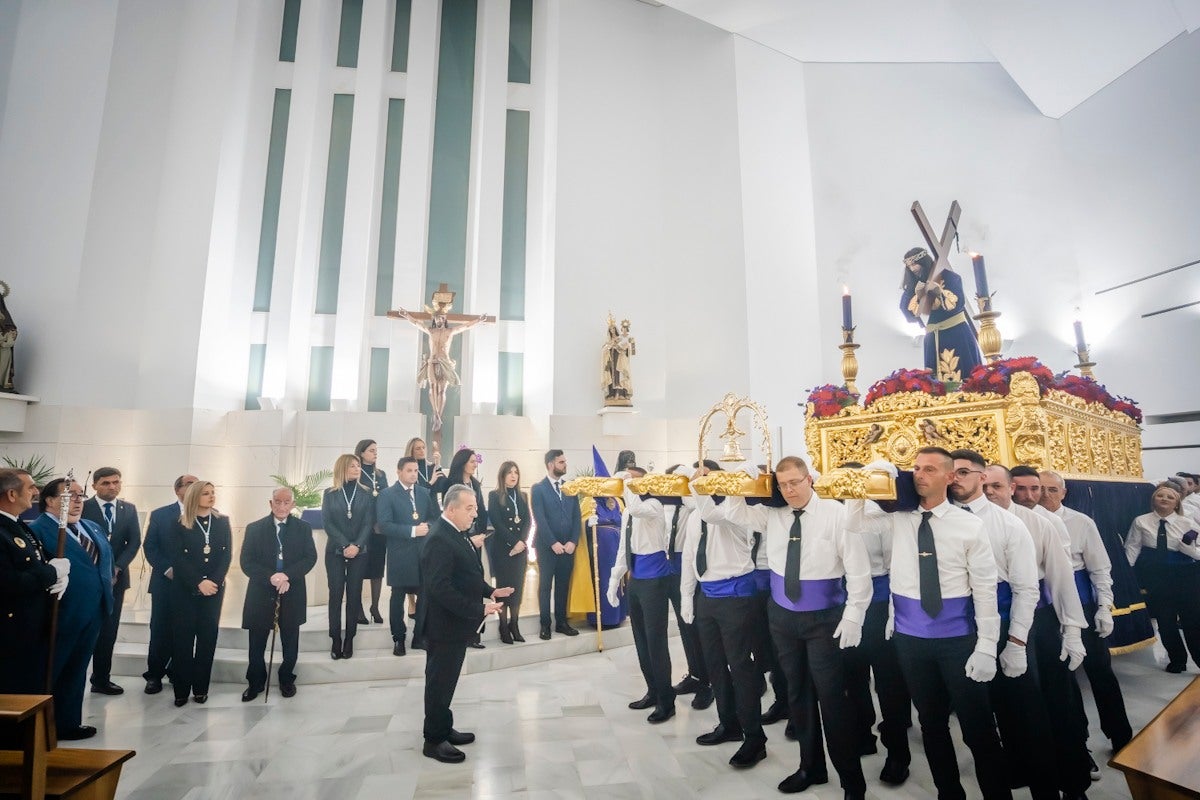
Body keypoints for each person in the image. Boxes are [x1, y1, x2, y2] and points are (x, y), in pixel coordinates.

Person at [847, 449, 1009, 800]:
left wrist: (985, 646)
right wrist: (867, 478)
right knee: (931, 724)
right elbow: (854, 523)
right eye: (916, 468)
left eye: (930, 469)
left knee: (978, 729)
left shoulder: (969, 525)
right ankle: (949, 792)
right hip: (910, 639)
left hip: (958, 640)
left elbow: (984, 589)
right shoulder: (898, 518)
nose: (919, 474)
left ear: (950, 477)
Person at [707, 456, 871, 797]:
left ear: (809, 479)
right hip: (782, 617)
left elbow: (858, 570)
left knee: (831, 698)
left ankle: (852, 781)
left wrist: (854, 614)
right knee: (796, 693)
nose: (790, 490)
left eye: (795, 482)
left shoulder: (837, 515)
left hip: (824, 619)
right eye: (783, 484)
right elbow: (732, 513)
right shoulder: (773, 515)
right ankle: (811, 767)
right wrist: (742, 478)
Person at [948, 451, 1057, 800]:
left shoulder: (1008, 523)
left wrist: (1016, 643)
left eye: (964, 472)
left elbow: (1027, 588)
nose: (956, 479)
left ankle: (1045, 788)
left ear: (981, 478)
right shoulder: (940, 518)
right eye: (953, 473)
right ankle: (1005, 774)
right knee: (979, 718)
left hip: (1007, 623)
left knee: (1026, 716)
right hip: (960, 628)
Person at [1008, 465, 1092, 798]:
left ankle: (1073, 777)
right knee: (1017, 700)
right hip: (1005, 616)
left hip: (1043, 618)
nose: (1030, 496)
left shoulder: (1048, 522)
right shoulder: (987, 519)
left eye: (1036, 489)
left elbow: (1062, 578)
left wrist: (1072, 629)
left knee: (1058, 699)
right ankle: (1024, 764)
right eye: (1022, 489)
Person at [678, 467, 767, 768]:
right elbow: (690, 558)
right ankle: (728, 724)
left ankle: (755, 738)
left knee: (741, 668)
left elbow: (715, 513)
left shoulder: (735, 511)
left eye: (707, 479)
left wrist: (730, 480)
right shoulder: (695, 516)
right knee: (715, 666)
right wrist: (687, 598)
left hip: (736, 597)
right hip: (707, 596)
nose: (702, 484)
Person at [418, 483, 513, 763]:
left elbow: (467, 573)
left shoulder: (455, 533)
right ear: (451, 508)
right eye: (469, 508)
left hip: (453, 625)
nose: (474, 514)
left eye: (475, 508)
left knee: (447, 681)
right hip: (442, 625)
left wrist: (490, 591)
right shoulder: (439, 538)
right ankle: (433, 740)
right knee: (439, 682)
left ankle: (443, 726)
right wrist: (478, 609)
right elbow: (441, 588)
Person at [1039, 469, 1133, 752]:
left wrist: (1104, 606)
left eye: (1051, 490)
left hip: (1083, 605)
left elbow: (1100, 569)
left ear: (1064, 493)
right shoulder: (1024, 521)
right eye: (1039, 489)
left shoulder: (1081, 522)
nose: (1044, 495)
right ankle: (1078, 746)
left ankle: (1120, 735)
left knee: (1100, 672)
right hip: (1047, 609)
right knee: (1062, 681)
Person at [838, 462, 911, 784]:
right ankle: (862, 733)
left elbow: (892, 565)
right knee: (851, 675)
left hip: (880, 602)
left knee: (888, 682)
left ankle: (897, 753)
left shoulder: (881, 514)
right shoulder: (828, 510)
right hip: (840, 602)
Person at [31, 478, 113, 739]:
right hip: (62, 612)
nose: (78, 501)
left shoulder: (92, 527)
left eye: (80, 495)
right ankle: (37, 728)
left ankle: (67, 723)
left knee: (77, 669)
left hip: (93, 611)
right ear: (50, 500)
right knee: (52, 669)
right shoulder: (38, 529)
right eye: (70, 496)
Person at [607, 466, 678, 724]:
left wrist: (627, 484)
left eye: (635, 481)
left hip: (656, 581)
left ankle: (666, 701)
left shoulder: (654, 506)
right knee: (640, 640)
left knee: (656, 641)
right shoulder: (629, 510)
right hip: (636, 578)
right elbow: (624, 548)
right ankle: (653, 691)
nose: (629, 485)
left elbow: (636, 507)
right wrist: (615, 578)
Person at [239, 487, 317, 701]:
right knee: (257, 641)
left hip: (292, 590)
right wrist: (271, 577)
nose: (282, 506)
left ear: (292, 504)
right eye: (277, 502)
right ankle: (255, 682)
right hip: (261, 591)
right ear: (270, 503)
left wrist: (286, 576)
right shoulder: (255, 528)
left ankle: (286, 679)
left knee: (290, 639)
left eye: (286, 502)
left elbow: (309, 558)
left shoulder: (303, 528)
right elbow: (246, 562)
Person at [0, 468, 69, 696]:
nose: (35, 491)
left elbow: (34, 562)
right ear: (11, 494)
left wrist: (59, 574)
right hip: (10, 633)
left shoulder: (17, 525)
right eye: (30, 487)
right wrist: (51, 573)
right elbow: (9, 582)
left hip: (30, 627)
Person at [162, 481, 230, 707]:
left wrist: (214, 581)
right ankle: (181, 690)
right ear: (193, 497)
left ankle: (201, 689)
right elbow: (177, 558)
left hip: (214, 590)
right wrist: (199, 582)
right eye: (206, 493)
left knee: (207, 639)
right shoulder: (178, 524)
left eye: (213, 493)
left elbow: (226, 556)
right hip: (185, 589)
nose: (211, 497)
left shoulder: (222, 522)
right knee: (182, 640)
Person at [1125, 479, 1200, 673]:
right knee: (1165, 621)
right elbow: (1132, 548)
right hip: (1156, 576)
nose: (1164, 499)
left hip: (1186, 576)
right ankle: (1177, 660)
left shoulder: (1188, 522)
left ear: (1177, 502)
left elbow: (1198, 551)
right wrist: (1127, 574)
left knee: (1192, 620)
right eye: (1160, 495)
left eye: (1170, 497)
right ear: (1153, 500)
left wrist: (1189, 551)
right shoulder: (1141, 521)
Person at [81, 466, 140, 696]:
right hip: (89, 578)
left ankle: (101, 679)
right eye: (106, 483)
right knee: (86, 629)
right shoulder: (84, 508)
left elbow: (134, 542)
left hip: (116, 580)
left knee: (109, 631)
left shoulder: (128, 509)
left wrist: (117, 567)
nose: (112, 486)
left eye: (116, 482)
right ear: (95, 485)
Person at [141, 474, 197, 693]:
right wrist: (168, 569)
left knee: (186, 629)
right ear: (177, 490)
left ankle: (179, 671)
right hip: (166, 582)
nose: (194, 488)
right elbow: (151, 547)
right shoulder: (160, 515)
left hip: (193, 585)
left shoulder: (208, 515)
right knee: (160, 629)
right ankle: (154, 674)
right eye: (190, 485)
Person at [377, 456, 437, 656]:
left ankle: (419, 636)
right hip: (400, 554)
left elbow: (433, 516)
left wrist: (427, 526)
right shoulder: (387, 494)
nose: (413, 474)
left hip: (423, 553)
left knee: (424, 596)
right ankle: (398, 638)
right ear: (399, 471)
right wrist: (412, 531)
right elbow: (384, 525)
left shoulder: (424, 492)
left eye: (415, 471)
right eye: (409, 470)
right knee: (398, 597)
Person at [666, 463, 713, 711]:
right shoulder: (667, 505)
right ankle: (694, 673)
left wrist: (686, 479)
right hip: (673, 570)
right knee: (685, 628)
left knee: (698, 629)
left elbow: (696, 502)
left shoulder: (692, 503)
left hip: (695, 569)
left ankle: (708, 682)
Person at [898, 247, 982, 382]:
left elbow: (958, 303)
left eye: (915, 264)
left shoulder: (949, 277)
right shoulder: (913, 286)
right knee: (935, 381)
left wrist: (939, 293)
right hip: (932, 338)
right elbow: (907, 311)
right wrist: (919, 297)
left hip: (957, 333)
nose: (913, 269)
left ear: (924, 262)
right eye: (909, 266)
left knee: (965, 377)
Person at [434, 448, 491, 647]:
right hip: (460, 538)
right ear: (462, 463)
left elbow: (481, 511)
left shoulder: (475, 483)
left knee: (475, 582)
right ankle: (464, 630)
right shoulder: (452, 483)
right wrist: (468, 538)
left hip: (476, 537)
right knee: (462, 584)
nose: (475, 465)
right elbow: (451, 515)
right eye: (472, 461)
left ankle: (475, 632)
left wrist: (481, 533)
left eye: (476, 461)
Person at [322, 454, 375, 660]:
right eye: (352, 466)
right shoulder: (329, 493)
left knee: (354, 595)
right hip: (335, 550)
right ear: (342, 468)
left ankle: (349, 638)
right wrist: (345, 544)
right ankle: (335, 638)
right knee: (335, 595)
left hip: (359, 552)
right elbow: (327, 523)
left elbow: (368, 523)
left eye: (358, 465)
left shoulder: (367, 493)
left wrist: (357, 545)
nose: (357, 469)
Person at [531, 449, 581, 640]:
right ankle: (545, 624)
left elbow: (576, 517)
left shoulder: (570, 488)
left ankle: (561, 622)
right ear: (551, 464)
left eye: (565, 461)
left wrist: (573, 541)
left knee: (563, 585)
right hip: (547, 547)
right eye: (561, 462)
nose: (565, 465)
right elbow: (540, 518)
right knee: (545, 586)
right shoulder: (539, 488)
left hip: (568, 547)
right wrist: (553, 542)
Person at [487, 460, 531, 644]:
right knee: (505, 588)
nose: (513, 476)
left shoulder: (522, 495)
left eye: (516, 472)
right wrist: (513, 542)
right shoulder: (494, 495)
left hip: (520, 550)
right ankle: (503, 626)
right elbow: (497, 522)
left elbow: (528, 521)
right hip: (503, 549)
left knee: (517, 588)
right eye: (509, 472)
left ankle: (515, 624)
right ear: (502, 475)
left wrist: (521, 542)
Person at [356, 439, 389, 625]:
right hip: (361, 528)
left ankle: (375, 606)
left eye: (376, 450)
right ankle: (359, 607)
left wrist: (381, 522)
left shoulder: (381, 474)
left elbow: (386, 499)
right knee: (360, 569)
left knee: (377, 568)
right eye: (371, 450)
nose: (375, 453)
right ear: (361, 453)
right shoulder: (355, 472)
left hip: (378, 529)